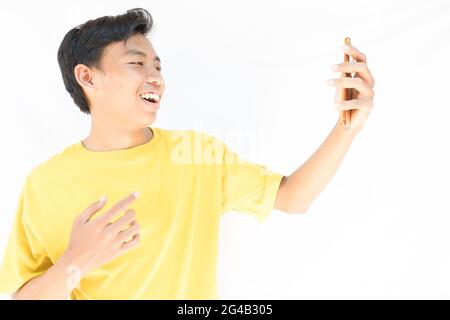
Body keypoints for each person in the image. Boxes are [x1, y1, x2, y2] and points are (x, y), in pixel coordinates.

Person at [0, 8, 375, 300]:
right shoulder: (45, 183)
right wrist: (74, 262)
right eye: (136, 63)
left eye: (157, 66)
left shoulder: (195, 154)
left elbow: (294, 198)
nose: (156, 77)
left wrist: (346, 128)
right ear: (87, 77)